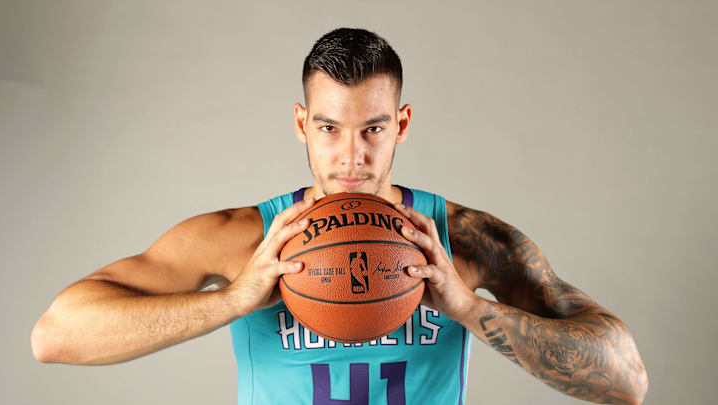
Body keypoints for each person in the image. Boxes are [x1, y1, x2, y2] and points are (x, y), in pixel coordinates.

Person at [31, 28, 648, 404]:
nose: (351, 155)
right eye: (328, 128)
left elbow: (627, 380)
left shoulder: (467, 240)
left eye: (372, 128)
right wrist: (235, 299)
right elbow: (55, 336)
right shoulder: (243, 238)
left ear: (401, 124)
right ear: (302, 123)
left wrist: (467, 307)